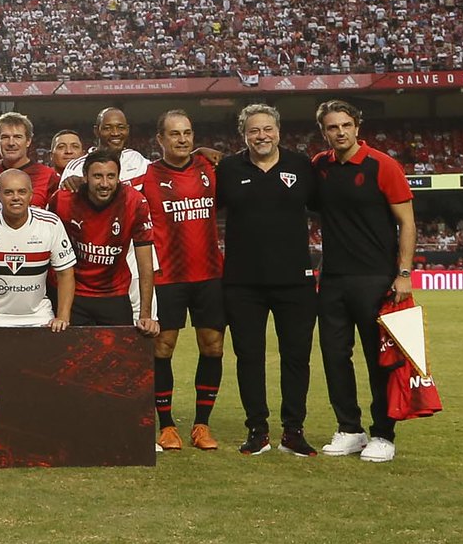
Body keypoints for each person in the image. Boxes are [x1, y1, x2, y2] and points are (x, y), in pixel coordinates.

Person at [312, 100, 417, 463]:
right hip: (332, 279)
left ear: (357, 127)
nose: (340, 132)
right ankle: (349, 429)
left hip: (376, 279)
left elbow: (407, 223)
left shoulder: (382, 165)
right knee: (334, 356)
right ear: (323, 132)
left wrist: (404, 273)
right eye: (332, 127)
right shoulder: (320, 165)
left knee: (379, 360)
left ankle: (384, 434)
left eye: (346, 125)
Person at [216, 103, 321, 457]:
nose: (262, 136)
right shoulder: (229, 168)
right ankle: (257, 431)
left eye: (267, 129)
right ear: (243, 135)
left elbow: (326, 206)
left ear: (278, 131)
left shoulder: (301, 165)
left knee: (296, 357)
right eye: (254, 130)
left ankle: (293, 431)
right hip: (242, 283)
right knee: (249, 357)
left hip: (295, 281)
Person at [136, 110, 226, 451]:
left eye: (187, 133)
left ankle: (202, 425)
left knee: (213, 346)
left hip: (210, 275)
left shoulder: (210, 169)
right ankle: (167, 425)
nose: (183, 139)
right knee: (162, 347)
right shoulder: (146, 176)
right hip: (168, 277)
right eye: (174, 134)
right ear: (160, 139)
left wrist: (209, 152)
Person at [51, 149, 158, 331]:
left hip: (114, 293)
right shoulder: (63, 200)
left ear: (118, 177)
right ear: (85, 176)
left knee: (119, 349)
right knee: (70, 349)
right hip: (73, 294)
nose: (105, 184)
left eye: (111, 176)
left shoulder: (134, 202)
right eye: (97, 176)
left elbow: (145, 263)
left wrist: (146, 315)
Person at [0, 171, 75, 330]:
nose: (16, 197)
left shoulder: (50, 224)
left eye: (22, 192)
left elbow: (65, 273)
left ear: (31, 195)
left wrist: (63, 317)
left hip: (39, 316)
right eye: (8, 192)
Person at [0, 111, 61, 209]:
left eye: (17, 137)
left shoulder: (48, 176)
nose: (11, 143)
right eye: (5, 137)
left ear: (28, 141)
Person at [61, 108, 150, 185]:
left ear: (128, 130)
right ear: (96, 131)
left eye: (121, 128)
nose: (115, 133)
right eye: (107, 128)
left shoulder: (137, 159)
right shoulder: (76, 169)